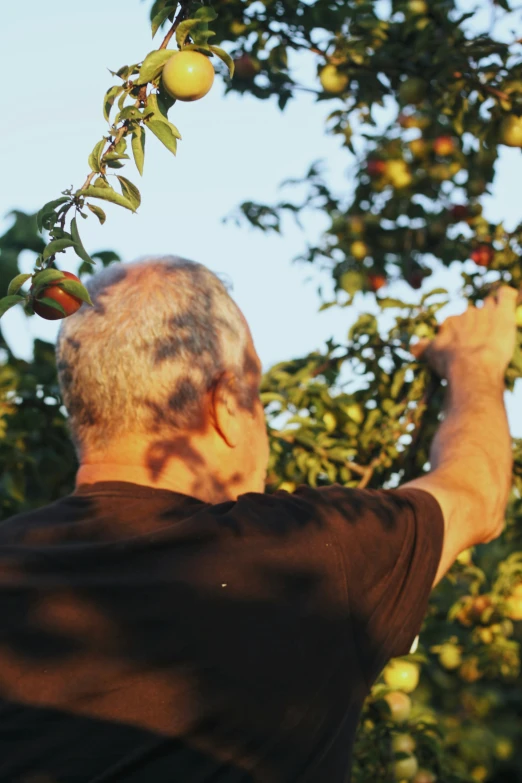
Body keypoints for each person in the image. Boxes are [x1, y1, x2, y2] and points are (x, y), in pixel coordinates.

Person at [0, 256, 516, 783]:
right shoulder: (306, 560)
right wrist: (475, 363)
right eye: (257, 396)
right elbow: (476, 490)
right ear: (225, 404)